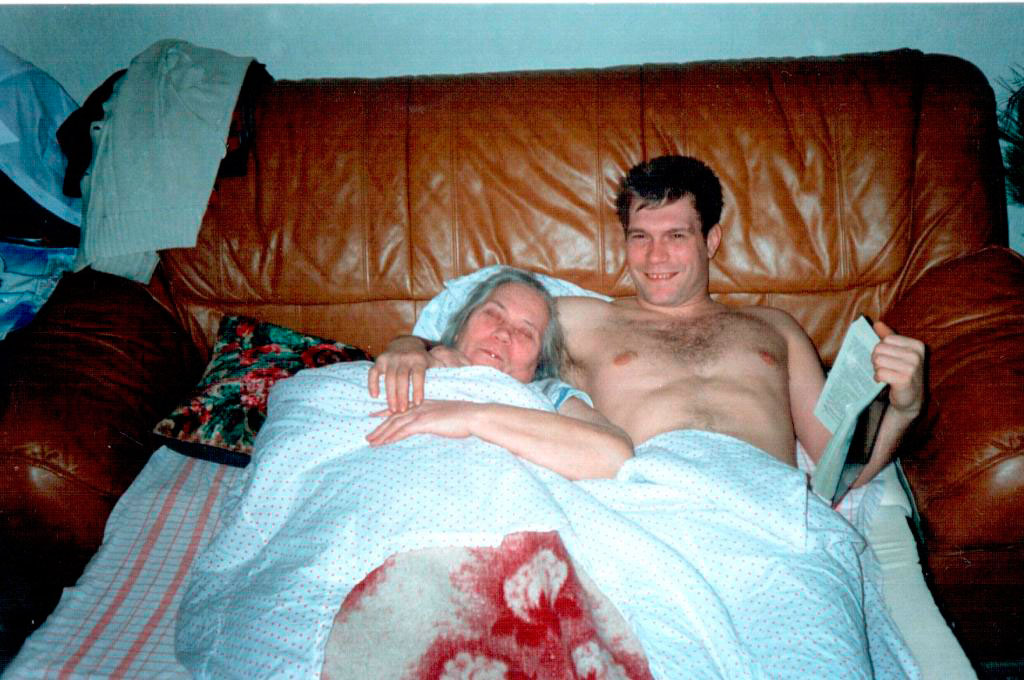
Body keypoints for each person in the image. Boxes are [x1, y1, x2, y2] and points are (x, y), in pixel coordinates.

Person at [370, 155, 925, 490]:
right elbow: (482, 336)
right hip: (646, 506)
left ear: (711, 240)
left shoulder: (775, 328)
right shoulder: (582, 321)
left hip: (768, 507)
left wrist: (904, 407)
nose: (655, 257)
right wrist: (407, 344)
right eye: (640, 237)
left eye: (676, 236)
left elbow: (838, 463)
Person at [366, 267, 633, 480]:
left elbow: (614, 456)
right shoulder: (413, 358)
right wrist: (409, 345)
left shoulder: (547, 394)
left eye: (526, 332)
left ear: (537, 364)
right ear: (460, 329)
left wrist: (469, 416)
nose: (504, 333)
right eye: (493, 315)